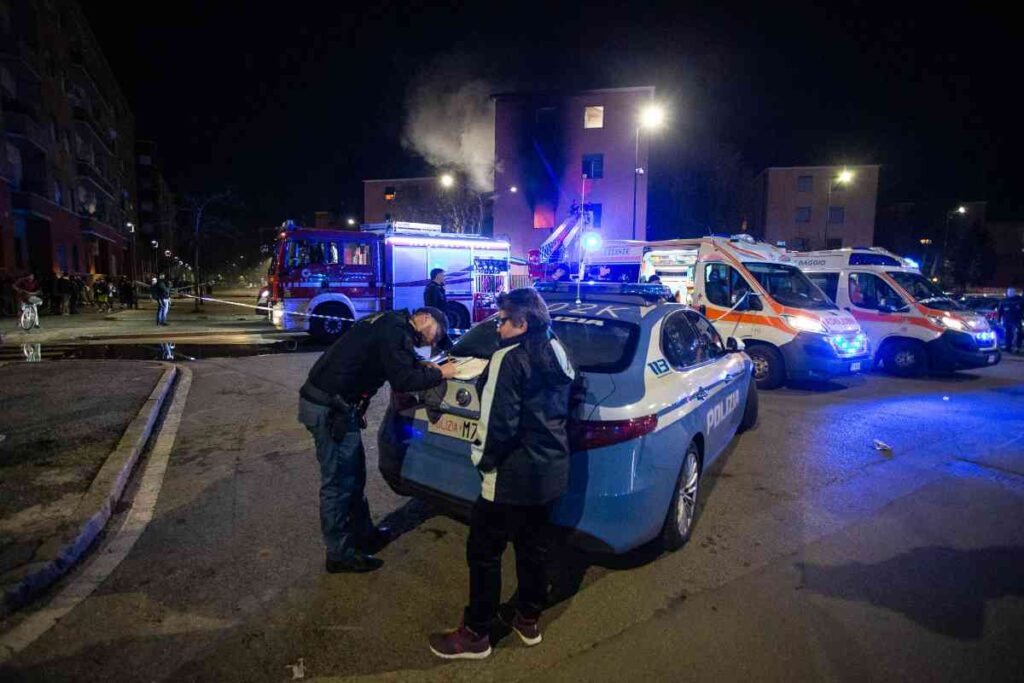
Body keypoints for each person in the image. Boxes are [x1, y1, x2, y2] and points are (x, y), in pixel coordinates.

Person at [429, 288, 576, 660]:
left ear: (522, 323)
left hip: (511, 475)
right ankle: (527, 619)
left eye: (503, 321)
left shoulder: (508, 359)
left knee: (483, 551)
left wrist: (482, 461)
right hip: (551, 471)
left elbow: (498, 424)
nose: (497, 327)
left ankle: (477, 633)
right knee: (534, 548)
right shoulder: (556, 349)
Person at [298, 307, 458, 573]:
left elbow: (394, 359)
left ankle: (364, 535)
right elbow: (403, 379)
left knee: (354, 476)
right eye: (435, 336)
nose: (431, 343)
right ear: (426, 319)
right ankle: (339, 554)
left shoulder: (392, 323)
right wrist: (442, 373)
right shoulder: (396, 329)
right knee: (338, 483)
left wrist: (421, 365)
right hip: (327, 409)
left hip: (338, 407)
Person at [998, 287, 1023, 353]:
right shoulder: (1004, 301)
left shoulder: (1019, 300)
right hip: (1007, 320)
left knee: (1018, 333)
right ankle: (1008, 346)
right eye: (1009, 291)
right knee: (1008, 334)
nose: (1010, 293)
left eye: (1012, 291)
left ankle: (1018, 347)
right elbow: (1000, 311)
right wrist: (999, 319)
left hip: (1017, 320)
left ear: (1014, 292)